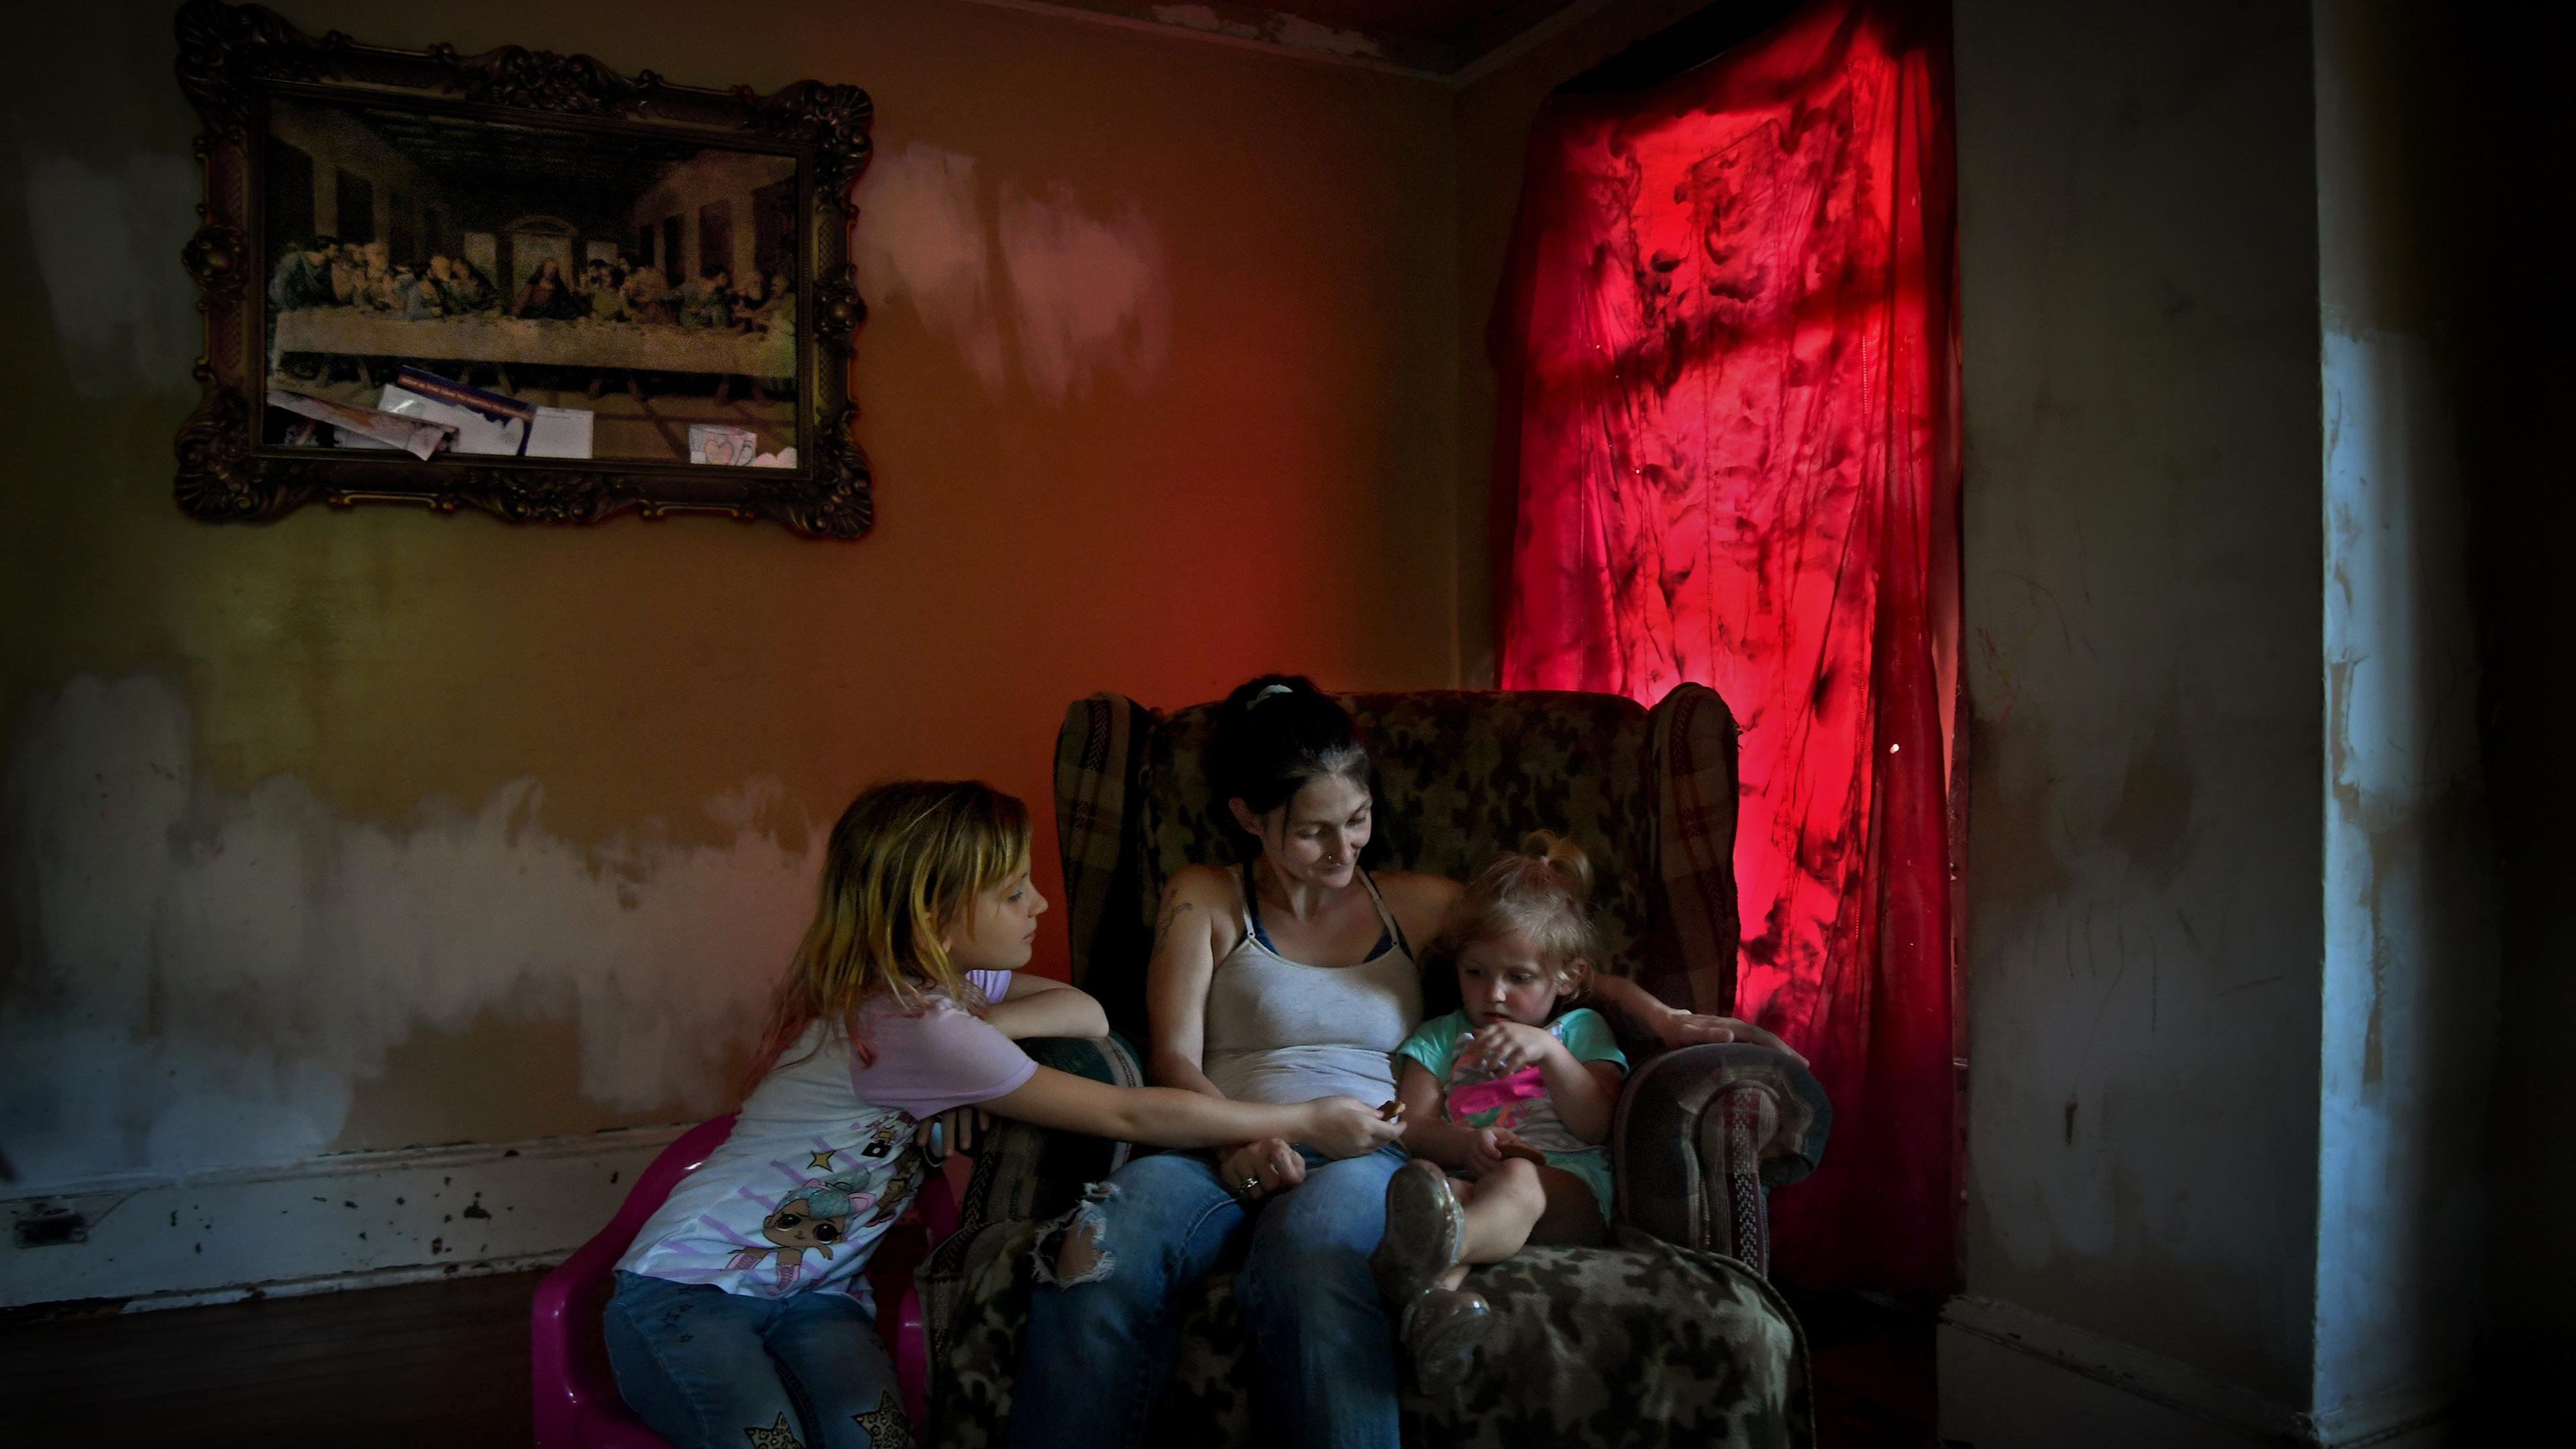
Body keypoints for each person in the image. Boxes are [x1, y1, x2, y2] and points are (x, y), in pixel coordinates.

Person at [1012, 676, 1794, 1449]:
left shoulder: (1415, 904)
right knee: (1094, 1254)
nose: (1344, 847)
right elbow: (1174, 1057)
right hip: (1208, 1144)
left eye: (1358, 820)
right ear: (1249, 815)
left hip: (1362, 1148)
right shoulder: (1205, 898)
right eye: (1315, 830)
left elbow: (1540, 946)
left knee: (1317, 1259)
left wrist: (1654, 1012)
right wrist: (1236, 1144)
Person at [606, 780, 1402, 1449]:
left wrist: (976, 1045)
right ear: (935, 911)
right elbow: (1129, 1117)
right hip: (690, 1289)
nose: (1041, 902)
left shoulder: (938, 994)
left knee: (876, 1436)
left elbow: (1085, 1013)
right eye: (1014, 891)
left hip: (815, 1295)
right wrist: (1302, 1120)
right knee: (764, 1433)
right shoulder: (909, 1020)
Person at [1371, 832, 1627, 1389]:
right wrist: (1462, 1146)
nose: (1496, 995)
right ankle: (1436, 1314)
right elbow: (1411, 1128)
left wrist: (1550, 1054)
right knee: (1436, 1186)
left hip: (1569, 1195)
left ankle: (1437, 1248)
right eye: (1477, 973)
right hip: (1478, 1185)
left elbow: (1597, 1123)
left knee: (1517, 1177)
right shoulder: (1442, 1037)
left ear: (1569, 977)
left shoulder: (1579, 1031)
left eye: (1520, 977)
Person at [266, 236, 337, 310]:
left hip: (304, 307)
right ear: (323, 249)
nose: (338, 254)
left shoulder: (326, 267)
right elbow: (281, 287)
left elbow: (326, 293)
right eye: (335, 250)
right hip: (277, 304)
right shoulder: (294, 259)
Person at [514, 258, 579, 320]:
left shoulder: (560, 287)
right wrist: (514, 315)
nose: (551, 271)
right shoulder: (534, 283)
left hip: (553, 321)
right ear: (543, 269)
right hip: (534, 318)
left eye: (554, 269)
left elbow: (567, 305)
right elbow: (521, 300)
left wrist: (576, 316)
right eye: (548, 268)